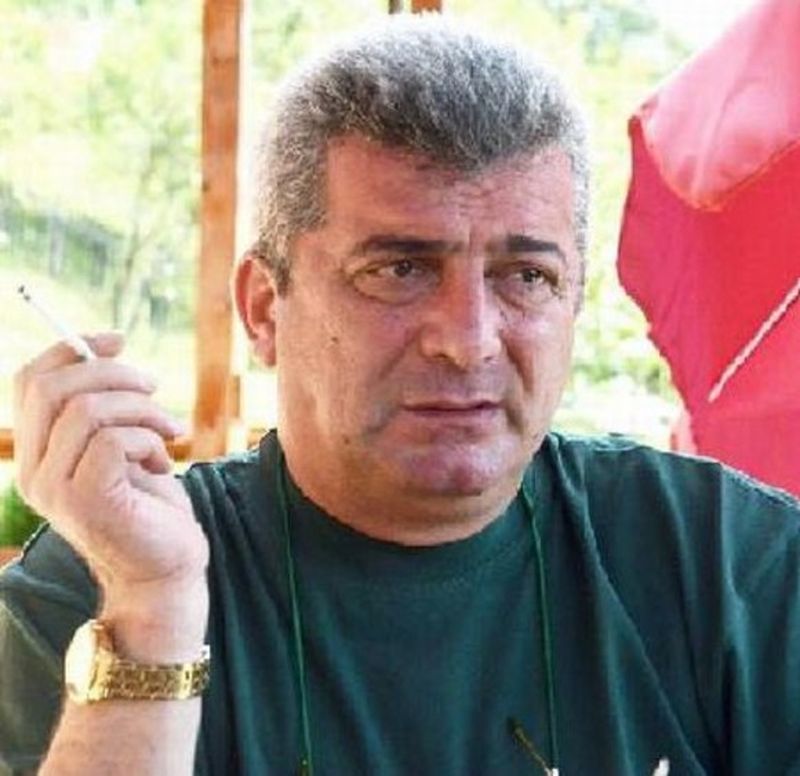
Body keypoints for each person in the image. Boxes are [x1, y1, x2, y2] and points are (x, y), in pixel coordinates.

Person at [2, 15, 800, 776]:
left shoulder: (733, 567)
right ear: (264, 308)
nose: (469, 339)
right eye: (400, 269)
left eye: (526, 276)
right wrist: (153, 615)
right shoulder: (107, 583)